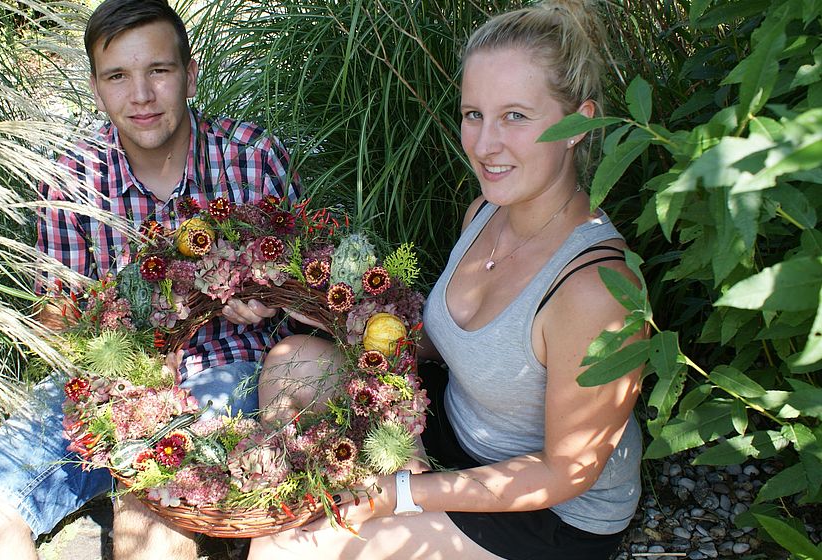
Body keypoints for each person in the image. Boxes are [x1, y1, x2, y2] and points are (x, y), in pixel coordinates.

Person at [250, 1, 645, 559]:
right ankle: (273, 493)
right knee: (295, 360)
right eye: (473, 114)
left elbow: (566, 471)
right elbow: (450, 344)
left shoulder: (596, 288)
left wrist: (403, 493)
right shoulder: (484, 210)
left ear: (577, 124)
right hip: (453, 434)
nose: (485, 145)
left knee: (291, 548)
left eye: (515, 117)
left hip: (545, 510)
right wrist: (347, 322)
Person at [0, 1, 299, 559]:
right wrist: (115, 365)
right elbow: (56, 314)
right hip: (106, 381)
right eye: (118, 76)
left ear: (189, 74)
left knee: (150, 500)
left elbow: (305, 284)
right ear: (96, 87)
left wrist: (262, 292)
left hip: (227, 366)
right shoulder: (72, 178)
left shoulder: (251, 158)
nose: (141, 95)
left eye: (158, 70)